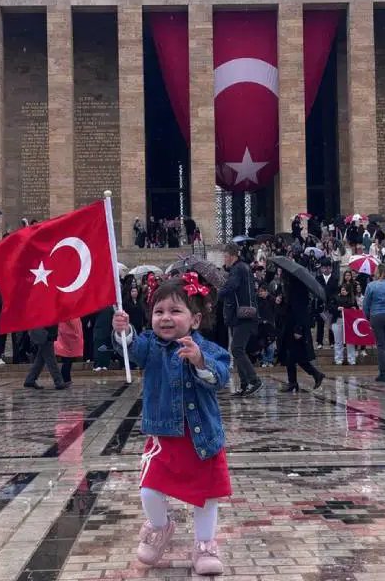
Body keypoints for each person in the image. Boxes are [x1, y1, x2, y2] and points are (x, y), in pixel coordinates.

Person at [111, 279, 232, 576]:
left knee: (205, 496)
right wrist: (123, 331)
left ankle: (204, 544)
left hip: (201, 436)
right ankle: (160, 526)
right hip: (164, 436)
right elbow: (133, 349)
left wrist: (200, 362)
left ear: (195, 319)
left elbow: (221, 377)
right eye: (158, 311)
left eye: (175, 311)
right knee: (150, 489)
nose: (165, 318)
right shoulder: (151, 347)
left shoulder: (207, 348)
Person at [217, 244, 262, 396]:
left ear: (232, 255)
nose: (224, 259)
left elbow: (231, 286)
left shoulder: (238, 269)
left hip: (244, 315)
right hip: (239, 316)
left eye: (225, 256)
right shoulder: (240, 268)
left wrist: (219, 292)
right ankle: (244, 384)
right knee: (237, 350)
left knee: (237, 349)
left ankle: (254, 380)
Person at [278, 263, 326, 393]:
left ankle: (315, 374)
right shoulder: (290, 288)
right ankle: (293, 382)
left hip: (296, 327)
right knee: (291, 356)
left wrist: (298, 328)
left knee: (296, 356)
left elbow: (300, 310)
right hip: (290, 325)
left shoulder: (298, 288)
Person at [23, 324, 67, 389]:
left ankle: (30, 379)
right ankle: (59, 381)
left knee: (40, 360)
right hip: (46, 335)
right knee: (51, 359)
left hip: (46, 334)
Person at [329, 281, 357, 366]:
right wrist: (337, 308)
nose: (343, 291)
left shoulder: (352, 299)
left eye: (345, 290)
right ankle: (338, 359)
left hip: (349, 322)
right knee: (338, 341)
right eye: (342, 290)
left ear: (348, 291)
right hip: (337, 321)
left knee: (350, 341)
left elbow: (356, 309)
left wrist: (353, 308)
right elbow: (330, 308)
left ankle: (351, 359)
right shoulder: (335, 298)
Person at [314, 259, 339, 349]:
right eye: (324, 267)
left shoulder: (335, 278)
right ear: (321, 268)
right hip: (321, 304)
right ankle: (319, 342)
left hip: (331, 304)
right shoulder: (318, 278)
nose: (326, 269)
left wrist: (332, 300)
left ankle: (332, 341)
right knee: (320, 324)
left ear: (331, 268)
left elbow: (336, 292)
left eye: (328, 267)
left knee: (331, 324)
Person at [55, 317, 84, 384]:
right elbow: (73, 324)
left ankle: (66, 378)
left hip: (65, 335)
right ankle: (66, 379)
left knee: (67, 359)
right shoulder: (71, 313)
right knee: (68, 360)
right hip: (69, 336)